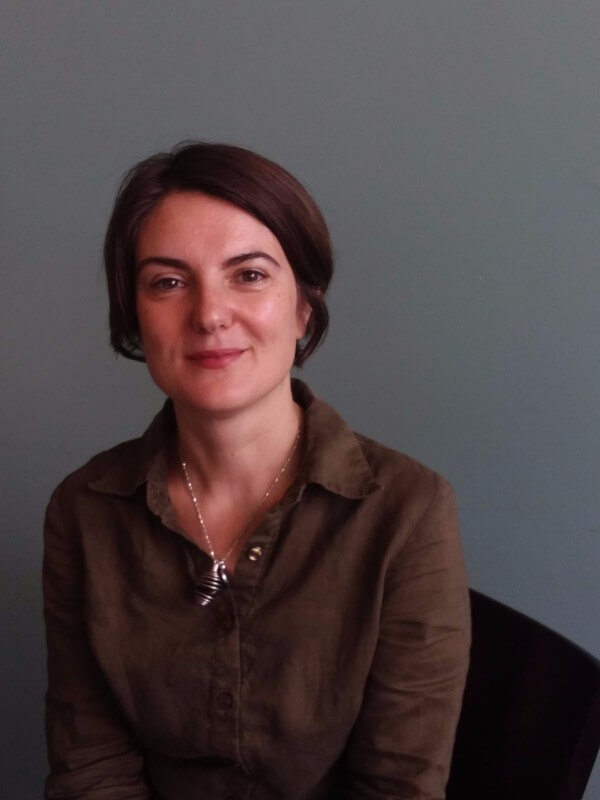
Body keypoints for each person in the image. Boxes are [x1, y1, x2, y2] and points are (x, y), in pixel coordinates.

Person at [43, 142, 471, 800]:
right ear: (135, 315)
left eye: (248, 275)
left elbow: (399, 787)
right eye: (168, 281)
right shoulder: (85, 510)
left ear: (303, 306)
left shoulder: (408, 511)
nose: (210, 314)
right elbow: (92, 769)